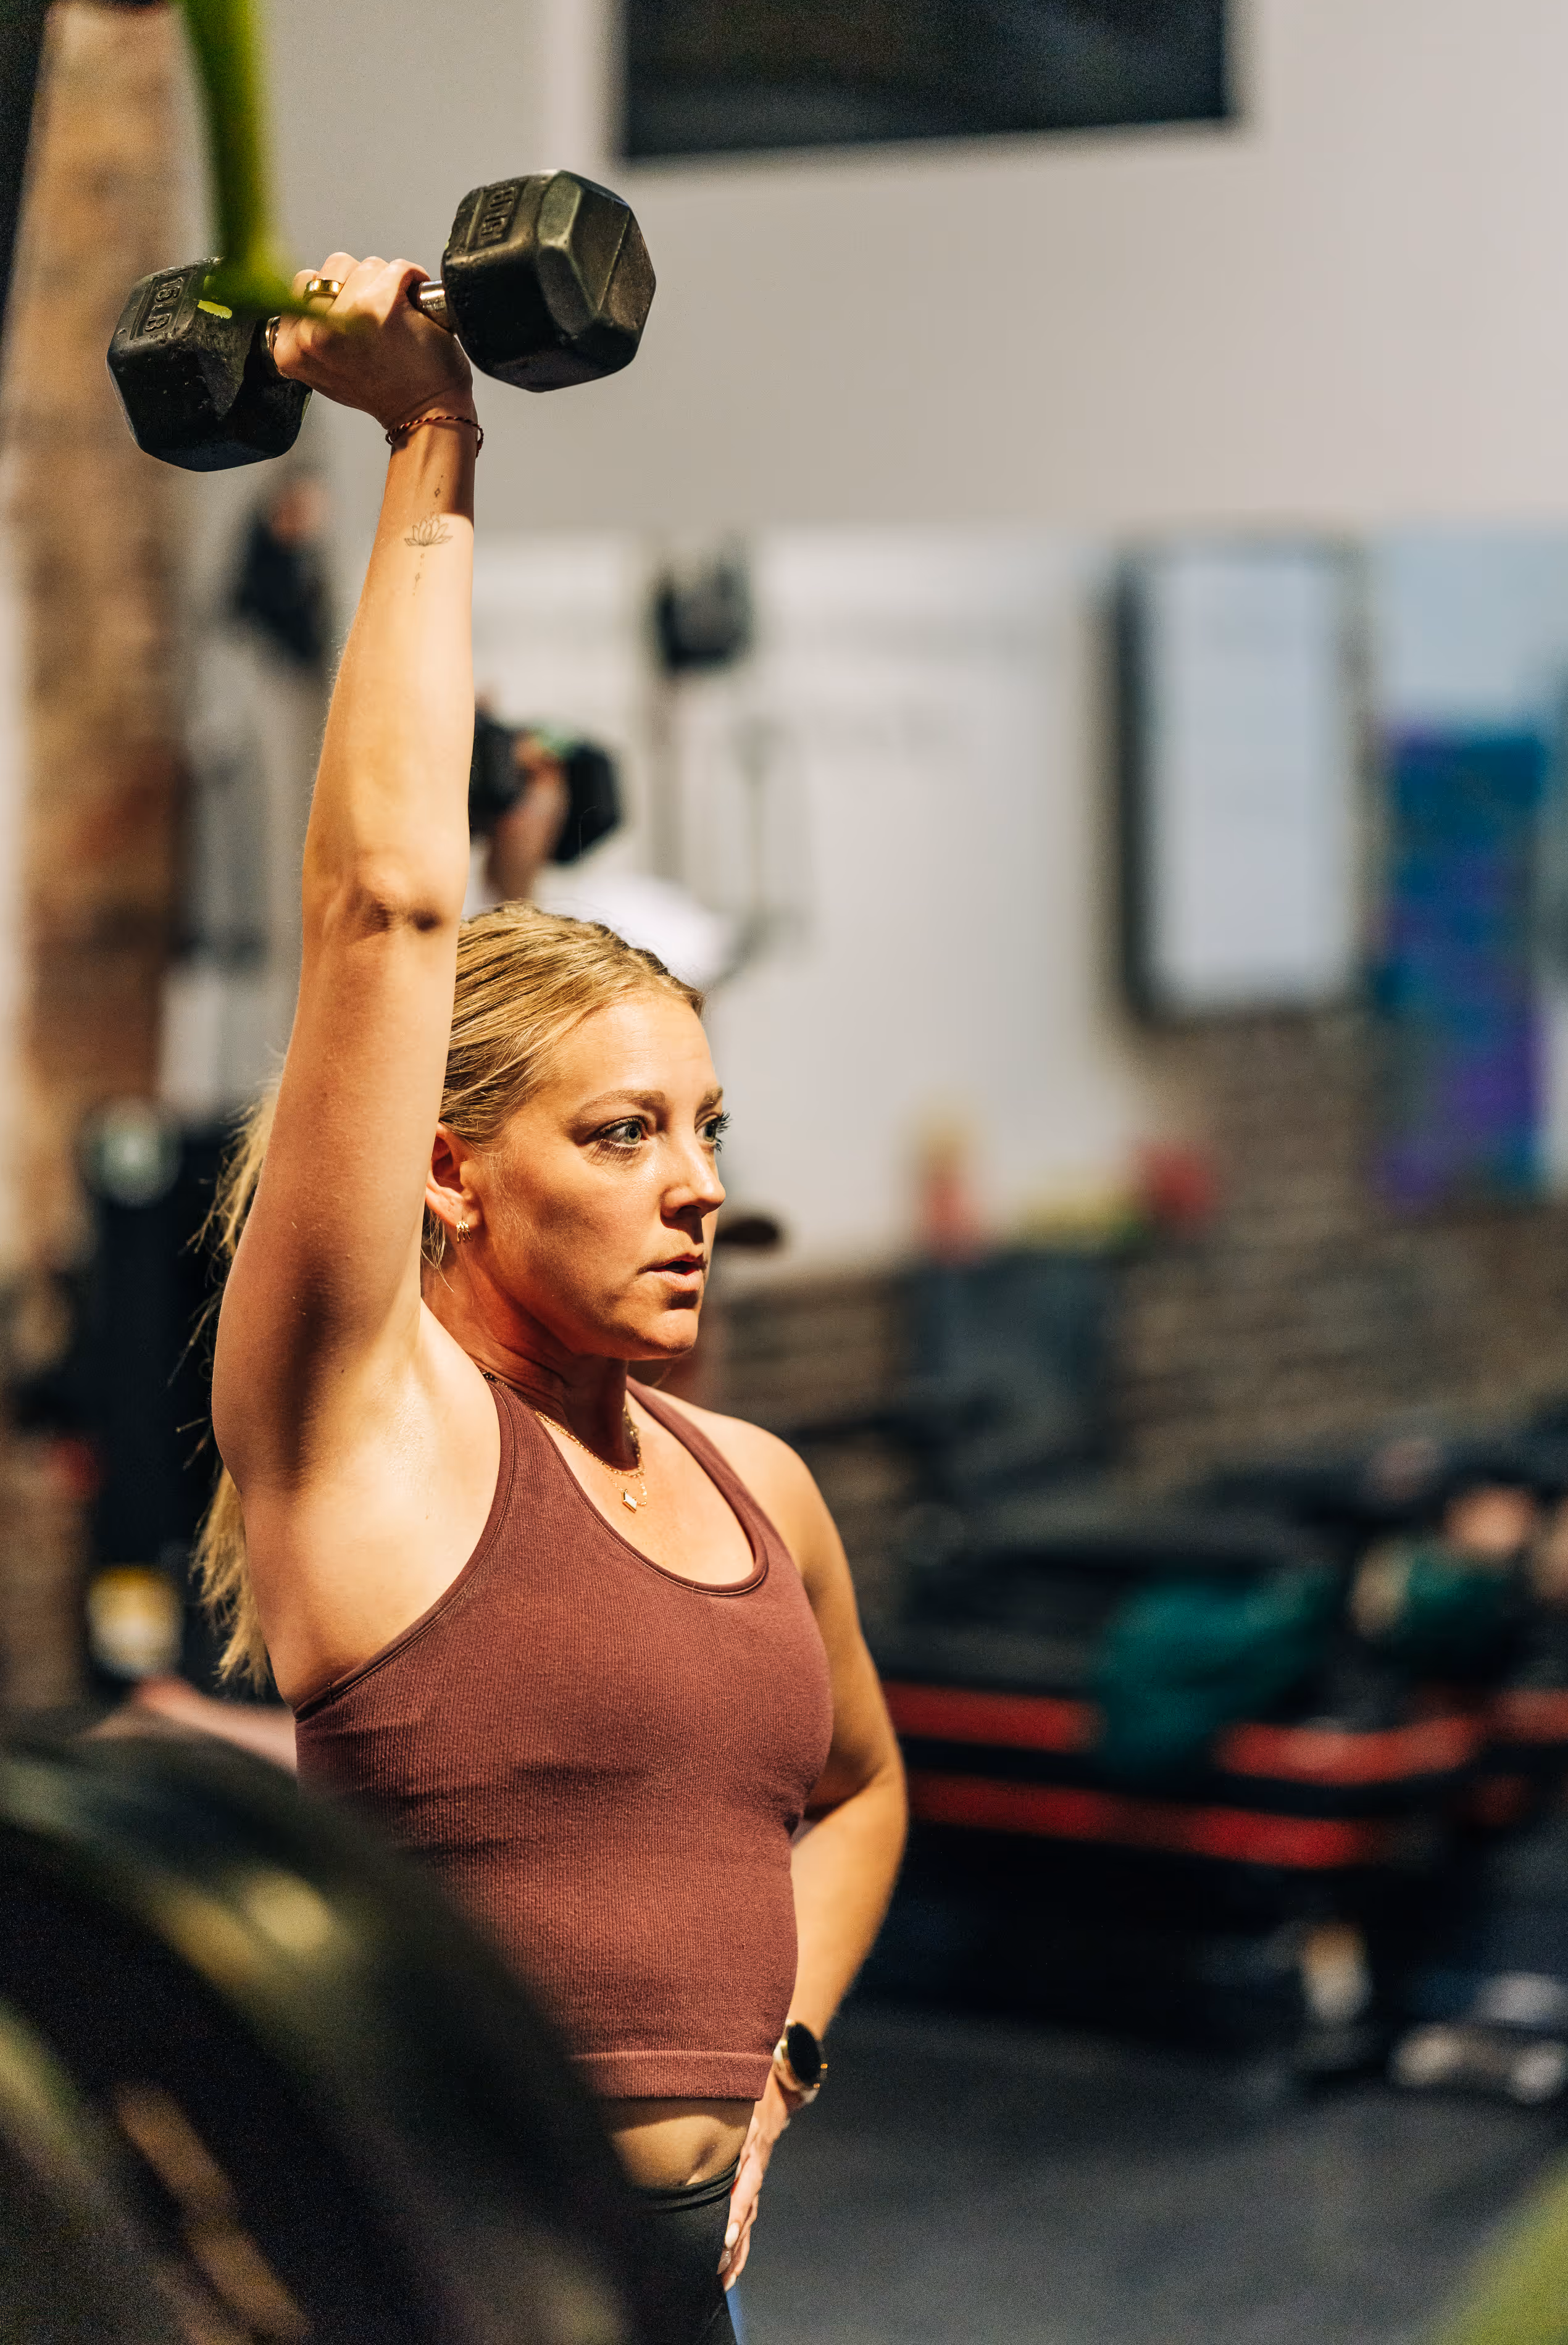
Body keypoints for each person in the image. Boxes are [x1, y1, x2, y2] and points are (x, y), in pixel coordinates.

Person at [200, 251, 907, 2341]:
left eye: (704, 1129)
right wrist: (432, 449)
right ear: (444, 1167)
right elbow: (386, 907)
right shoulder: (376, 1444)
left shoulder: (754, 1483)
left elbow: (857, 1787)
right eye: (617, 1138)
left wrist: (784, 2057)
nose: (697, 1189)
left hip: (686, 2288)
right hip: (432, 2284)